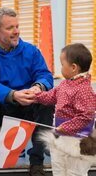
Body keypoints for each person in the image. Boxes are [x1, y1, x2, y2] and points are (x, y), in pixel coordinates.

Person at [0, 7, 54, 176]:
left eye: (17, 26)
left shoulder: (31, 51)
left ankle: (37, 164)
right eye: (10, 28)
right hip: (3, 109)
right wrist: (13, 95)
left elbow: (45, 75)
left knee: (47, 102)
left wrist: (38, 87)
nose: (16, 32)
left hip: (29, 107)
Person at [31, 43, 96, 176]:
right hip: (61, 138)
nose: (60, 68)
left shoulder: (84, 89)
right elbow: (51, 96)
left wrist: (66, 127)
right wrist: (36, 95)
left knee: (75, 173)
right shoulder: (65, 84)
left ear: (73, 68)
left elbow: (86, 116)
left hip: (79, 142)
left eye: (62, 64)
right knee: (59, 170)